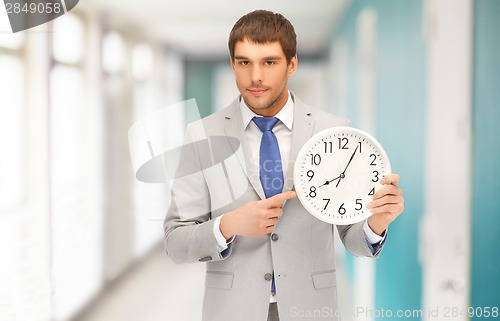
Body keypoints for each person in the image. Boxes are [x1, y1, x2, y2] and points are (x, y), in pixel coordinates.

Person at [163, 9, 404, 321]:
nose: (255, 77)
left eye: (269, 62)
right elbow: (175, 242)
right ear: (233, 64)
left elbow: (353, 239)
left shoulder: (332, 132)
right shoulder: (202, 135)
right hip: (232, 311)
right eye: (244, 62)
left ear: (292, 64)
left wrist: (378, 222)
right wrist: (228, 225)